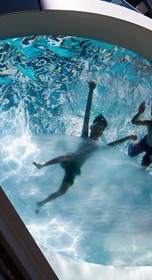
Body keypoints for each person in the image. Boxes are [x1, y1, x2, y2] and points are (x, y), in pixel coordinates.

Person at [33, 80, 136, 213]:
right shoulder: (84, 135)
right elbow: (87, 114)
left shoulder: (99, 147)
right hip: (70, 159)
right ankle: (43, 165)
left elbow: (114, 144)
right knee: (69, 156)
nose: (97, 130)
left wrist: (129, 137)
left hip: (75, 169)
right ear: (92, 127)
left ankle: (42, 203)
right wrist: (91, 91)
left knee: (62, 191)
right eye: (96, 127)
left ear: (102, 132)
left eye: (100, 129)